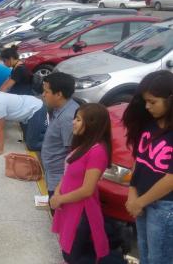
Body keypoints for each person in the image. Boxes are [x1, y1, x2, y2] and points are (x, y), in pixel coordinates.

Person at [122, 70, 173, 264]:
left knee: (160, 258)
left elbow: (171, 179)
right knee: (145, 252)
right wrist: (132, 192)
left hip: (165, 206)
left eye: (153, 102)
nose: (147, 106)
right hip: (142, 199)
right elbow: (139, 160)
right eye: (145, 101)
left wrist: (140, 202)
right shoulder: (148, 124)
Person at [51, 103, 112, 263]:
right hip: (68, 205)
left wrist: (60, 199)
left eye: (78, 119)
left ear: (92, 124)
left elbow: (87, 190)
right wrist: (57, 191)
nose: (73, 122)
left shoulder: (97, 151)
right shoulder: (83, 146)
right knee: (67, 250)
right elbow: (68, 174)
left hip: (81, 210)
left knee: (72, 254)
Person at [41, 72, 80, 199]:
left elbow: (72, 152)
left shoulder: (68, 118)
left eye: (46, 92)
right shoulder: (58, 108)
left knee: (57, 213)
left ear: (58, 94)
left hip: (59, 180)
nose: (43, 95)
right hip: (52, 174)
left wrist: (60, 188)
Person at [0, 91, 47, 156]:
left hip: (36, 109)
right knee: (28, 139)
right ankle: (52, 137)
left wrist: (0, 149)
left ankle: (56, 144)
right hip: (29, 107)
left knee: (32, 145)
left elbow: (0, 129)